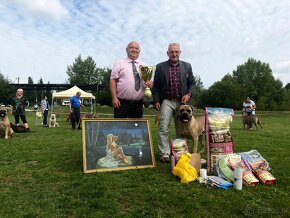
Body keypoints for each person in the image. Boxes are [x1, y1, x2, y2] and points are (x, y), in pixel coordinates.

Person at [152, 43, 195, 162]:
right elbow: (155, 86)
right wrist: (156, 100)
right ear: (168, 53)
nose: (174, 54)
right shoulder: (160, 67)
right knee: (163, 127)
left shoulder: (187, 66)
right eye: (172, 52)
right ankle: (165, 154)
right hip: (166, 100)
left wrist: (188, 94)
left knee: (180, 128)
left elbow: (192, 83)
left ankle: (179, 152)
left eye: (176, 52)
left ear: (180, 52)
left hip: (182, 102)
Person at [110, 41, 153, 118]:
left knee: (136, 129)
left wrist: (150, 83)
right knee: (119, 128)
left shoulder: (145, 65)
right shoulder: (119, 63)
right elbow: (113, 81)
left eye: (136, 48)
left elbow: (149, 82)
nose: (134, 49)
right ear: (126, 50)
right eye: (131, 47)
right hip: (121, 102)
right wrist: (114, 98)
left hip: (138, 103)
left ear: (139, 51)